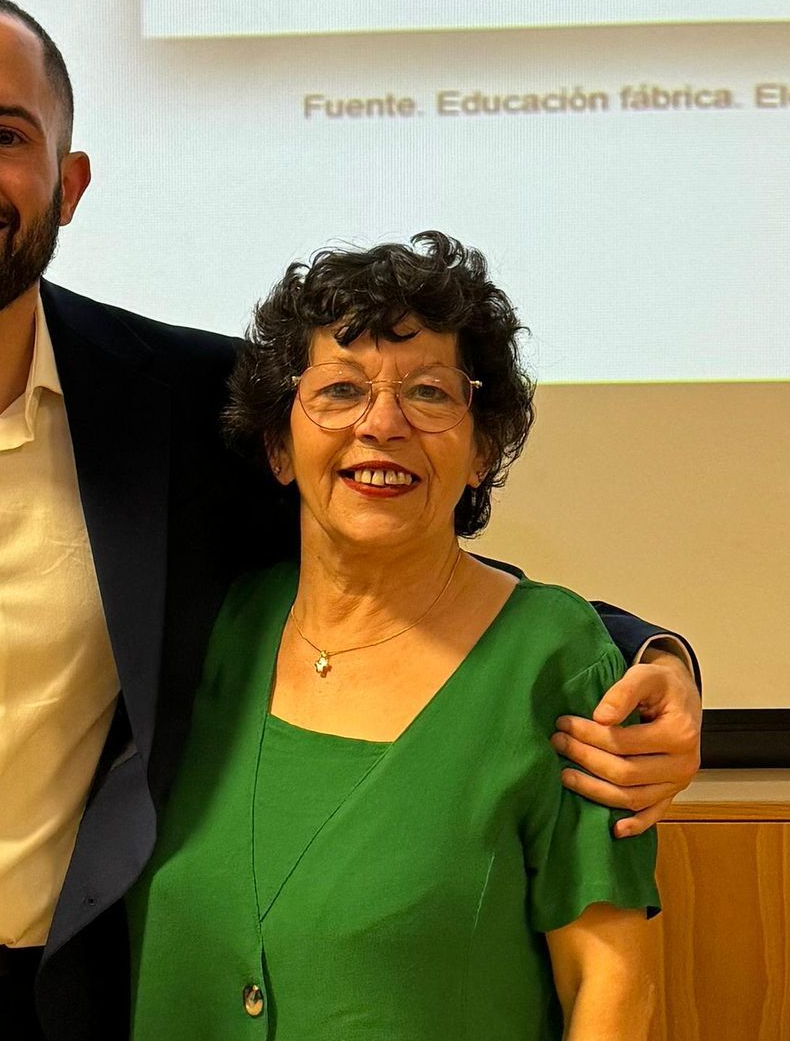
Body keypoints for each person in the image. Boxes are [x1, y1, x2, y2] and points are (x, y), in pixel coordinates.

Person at [0, 0, 700, 1041]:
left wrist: (645, 657)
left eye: (6, 134)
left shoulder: (189, 408)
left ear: (68, 183)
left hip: (76, 1009)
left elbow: (391, 549)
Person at [128, 232, 659, 1039]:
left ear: (483, 449)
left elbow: (610, 985)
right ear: (279, 446)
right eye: (340, 390)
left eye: (431, 394)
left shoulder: (554, 660)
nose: (382, 424)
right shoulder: (211, 633)